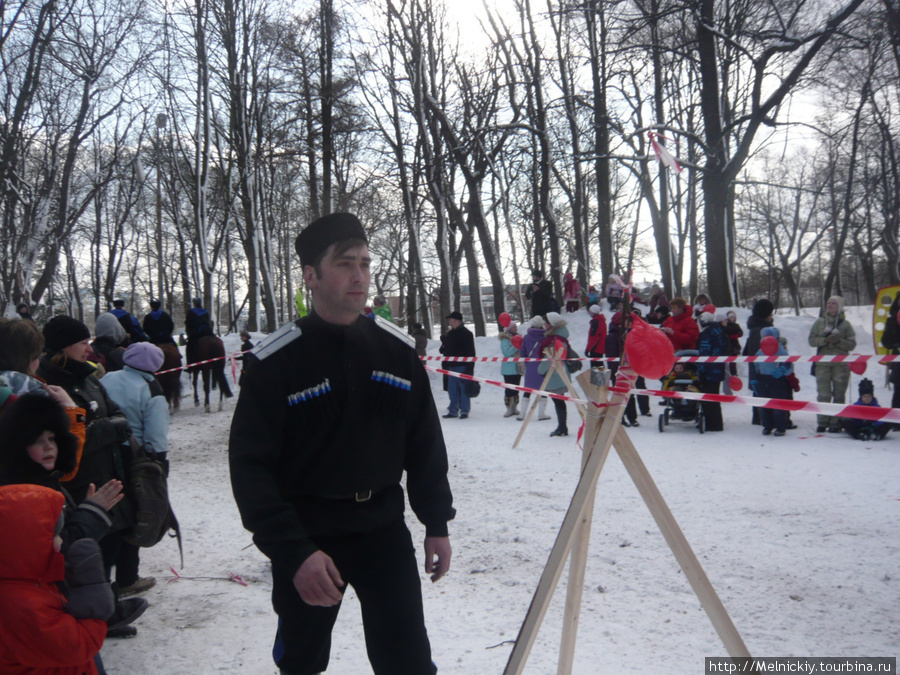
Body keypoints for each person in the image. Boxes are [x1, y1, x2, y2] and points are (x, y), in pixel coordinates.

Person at [228, 212, 454, 675]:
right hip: (309, 536)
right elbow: (250, 468)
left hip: (383, 532)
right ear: (311, 276)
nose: (360, 276)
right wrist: (293, 552)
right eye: (346, 263)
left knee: (408, 661)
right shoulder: (276, 363)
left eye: (366, 263)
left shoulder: (396, 352)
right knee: (301, 661)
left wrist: (436, 521)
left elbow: (424, 444)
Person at [36, 317, 140, 609]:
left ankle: (106, 607)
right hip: (80, 483)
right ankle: (93, 613)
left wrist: (103, 426)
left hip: (108, 474)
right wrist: (109, 427)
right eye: (83, 342)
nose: (89, 348)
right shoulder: (51, 384)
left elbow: (120, 416)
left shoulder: (89, 376)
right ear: (65, 346)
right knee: (88, 552)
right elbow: (68, 443)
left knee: (111, 544)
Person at [0, 483, 110, 674]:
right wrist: (92, 589)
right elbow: (79, 645)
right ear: (28, 543)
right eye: (55, 534)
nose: (61, 541)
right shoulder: (22, 604)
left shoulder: (28, 585)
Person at [99, 342, 168, 598]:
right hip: (135, 458)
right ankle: (127, 578)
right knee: (134, 515)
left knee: (109, 514)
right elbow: (156, 435)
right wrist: (160, 465)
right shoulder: (151, 387)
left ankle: (102, 580)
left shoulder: (107, 377)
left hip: (104, 453)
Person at [808, 296, 857, 433]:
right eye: (828, 302)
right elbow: (811, 341)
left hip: (841, 364)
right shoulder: (819, 323)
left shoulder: (846, 325)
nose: (829, 305)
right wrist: (823, 340)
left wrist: (838, 342)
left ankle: (836, 422)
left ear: (840, 306)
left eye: (833, 303)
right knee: (823, 393)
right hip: (823, 362)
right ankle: (823, 421)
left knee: (839, 393)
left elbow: (852, 345)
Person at [605, 310, 649, 426]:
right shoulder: (612, 336)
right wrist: (614, 371)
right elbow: (611, 355)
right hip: (619, 369)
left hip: (632, 366)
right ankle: (621, 417)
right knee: (620, 395)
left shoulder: (629, 333)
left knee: (630, 393)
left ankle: (632, 417)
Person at [538, 312, 574, 437]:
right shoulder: (559, 337)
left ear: (551, 324)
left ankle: (562, 428)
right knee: (559, 401)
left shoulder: (553, 340)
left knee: (558, 401)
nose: (544, 325)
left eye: (546, 322)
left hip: (555, 374)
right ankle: (562, 426)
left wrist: (540, 370)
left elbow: (551, 358)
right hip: (559, 373)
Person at [754, 326, 793, 437]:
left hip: (777, 380)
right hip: (763, 379)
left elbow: (788, 362)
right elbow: (755, 363)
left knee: (778, 405)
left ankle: (780, 427)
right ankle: (767, 426)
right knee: (763, 404)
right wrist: (755, 377)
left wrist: (783, 368)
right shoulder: (760, 350)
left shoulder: (780, 349)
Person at [439, 311, 476, 419]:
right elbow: (444, 351)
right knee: (452, 389)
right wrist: (444, 342)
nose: (449, 322)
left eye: (450, 320)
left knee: (464, 389)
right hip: (451, 366)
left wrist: (470, 368)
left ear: (455, 320)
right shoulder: (450, 334)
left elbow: (471, 352)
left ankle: (464, 410)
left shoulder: (467, 334)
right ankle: (453, 410)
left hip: (462, 366)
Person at [696, 310, 727, 431]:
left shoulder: (707, 334)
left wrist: (701, 370)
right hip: (718, 369)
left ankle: (712, 424)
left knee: (708, 398)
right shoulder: (719, 331)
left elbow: (705, 353)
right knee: (715, 397)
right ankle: (717, 423)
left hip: (709, 371)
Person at [519, 315, 551, 422]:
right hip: (543, 366)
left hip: (530, 367)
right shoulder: (545, 337)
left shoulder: (527, 337)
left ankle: (522, 414)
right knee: (543, 390)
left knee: (527, 390)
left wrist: (525, 363)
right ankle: (541, 414)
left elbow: (523, 352)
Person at [880, 293, 900, 411]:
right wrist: (896, 345)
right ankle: (896, 419)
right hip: (898, 360)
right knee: (898, 390)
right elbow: (885, 341)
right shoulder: (891, 320)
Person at [498, 321, 521, 418]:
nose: (515, 328)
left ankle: (514, 407)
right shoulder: (505, 339)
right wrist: (516, 347)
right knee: (509, 389)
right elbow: (507, 352)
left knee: (516, 388)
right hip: (508, 368)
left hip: (518, 367)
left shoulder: (519, 337)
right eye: (513, 327)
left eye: (516, 327)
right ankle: (508, 408)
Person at [185, 297, 214, 366]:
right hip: (207, 331)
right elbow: (208, 321)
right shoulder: (205, 311)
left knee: (189, 347)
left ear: (194, 303)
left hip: (196, 332)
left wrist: (189, 331)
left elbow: (188, 323)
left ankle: (190, 365)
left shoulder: (191, 311)